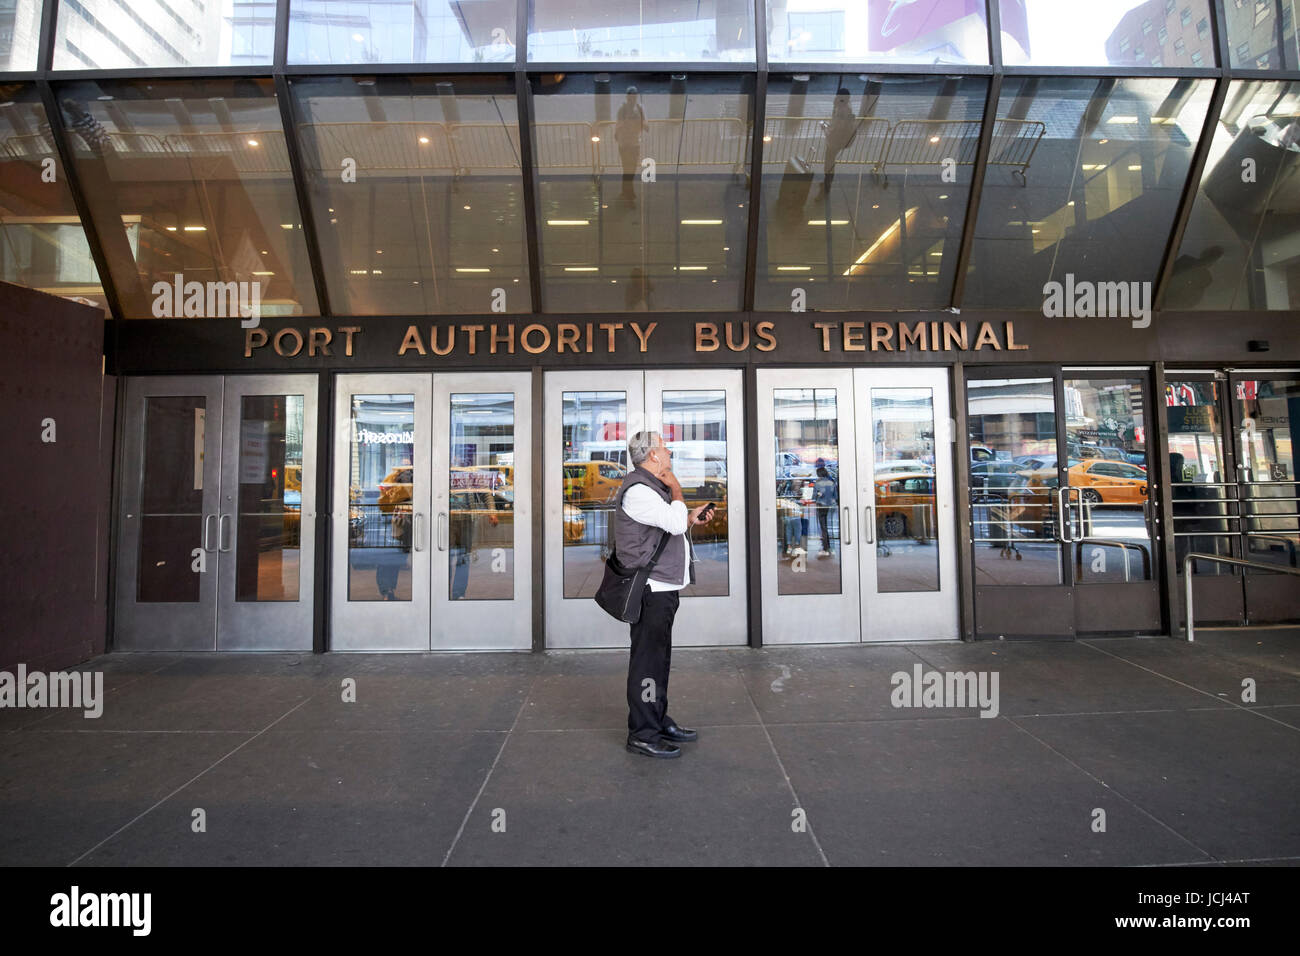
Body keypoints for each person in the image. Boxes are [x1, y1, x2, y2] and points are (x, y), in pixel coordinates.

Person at [615, 431, 712, 758]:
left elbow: (671, 523)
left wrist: (690, 517)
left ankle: (656, 719)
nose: (669, 451)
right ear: (653, 455)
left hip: (663, 588)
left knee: (659, 659)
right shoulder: (639, 490)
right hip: (651, 591)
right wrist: (677, 489)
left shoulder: (650, 489)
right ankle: (642, 733)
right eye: (665, 447)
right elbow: (671, 523)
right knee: (647, 662)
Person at [817, 88, 859, 198]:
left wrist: (824, 126)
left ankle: (827, 185)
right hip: (838, 140)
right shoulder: (845, 108)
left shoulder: (842, 110)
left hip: (835, 141)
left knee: (829, 164)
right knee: (830, 162)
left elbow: (836, 128)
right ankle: (827, 182)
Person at [615, 86, 648, 201]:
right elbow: (618, 125)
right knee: (627, 169)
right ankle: (629, 194)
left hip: (634, 143)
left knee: (631, 169)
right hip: (624, 143)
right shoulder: (622, 109)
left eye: (634, 97)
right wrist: (627, 122)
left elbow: (646, 125)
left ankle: (626, 191)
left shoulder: (640, 108)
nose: (632, 99)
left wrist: (640, 123)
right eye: (630, 97)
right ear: (627, 97)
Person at [812, 459, 837, 558]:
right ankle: (831, 547)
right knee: (829, 526)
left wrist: (818, 495)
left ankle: (825, 548)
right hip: (831, 506)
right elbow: (836, 496)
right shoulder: (832, 482)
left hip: (821, 506)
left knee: (823, 527)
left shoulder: (817, 483)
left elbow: (814, 497)